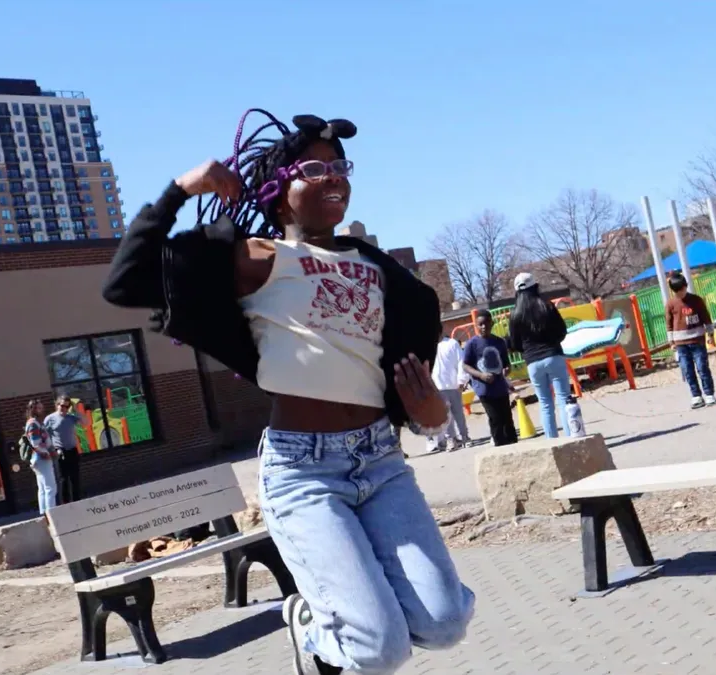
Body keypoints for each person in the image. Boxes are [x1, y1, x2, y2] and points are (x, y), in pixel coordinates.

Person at [101, 110, 474, 675]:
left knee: (445, 626)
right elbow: (125, 281)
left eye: (340, 167)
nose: (333, 178)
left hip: (381, 461)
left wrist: (430, 415)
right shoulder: (256, 259)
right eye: (315, 169)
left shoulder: (375, 266)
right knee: (380, 650)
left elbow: (411, 372)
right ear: (278, 192)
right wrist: (179, 190)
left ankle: (342, 614)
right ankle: (312, 626)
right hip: (303, 472)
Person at [507, 273, 571, 438]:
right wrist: (552, 343)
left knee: (545, 404)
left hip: (532, 362)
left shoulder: (515, 314)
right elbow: (562, 331)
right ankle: (572, 438)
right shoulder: (546, 305)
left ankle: (552, 442)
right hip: (553, 355)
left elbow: (514, 344)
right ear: (535, 286)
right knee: (563, 399)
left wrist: (528, 350)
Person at [463, 312, 517, 446]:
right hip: (484, 389)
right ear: (476, 326)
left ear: (491, 324)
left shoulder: (499, 342)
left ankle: (513, 445)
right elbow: (465, 365)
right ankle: (499, 446)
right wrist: (481, 375)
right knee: (495, 419)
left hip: (500, 387)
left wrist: (507, 369)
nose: (483, 327)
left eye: (486, 323)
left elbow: (506, 363)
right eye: (480, 324)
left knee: (507, 419)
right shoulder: (472, 344)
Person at [665, 272, 716, 408]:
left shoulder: (696, 300)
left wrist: (710, 333)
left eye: (681, 290)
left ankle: (709, 394)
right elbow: (669, 324)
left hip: (697, 340)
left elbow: (706, 317)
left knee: (702, 367)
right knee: (687, 370)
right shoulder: (670, 304)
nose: (680, 294)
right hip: (680, 343)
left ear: (686, 286)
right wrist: (671, 342)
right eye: (676, 292)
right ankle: (696, 396)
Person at [427, 334, 470, 451]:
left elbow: (461, 362)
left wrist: (462, 380)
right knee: (445, 417)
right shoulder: (428, 347)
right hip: (438, 388)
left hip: (454, 385)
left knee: (458, 414)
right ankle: (451, 440)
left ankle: (465, 437)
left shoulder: (452, 344)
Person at [44, 394, 82, 503]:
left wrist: (76, 410)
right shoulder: (50, 419)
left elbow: (86, 423)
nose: (64, 408)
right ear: (57, 405)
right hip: (60, 451)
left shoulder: (71, 417)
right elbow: (45, 436)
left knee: (75, 478)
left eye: (66, 406)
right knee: (63, 479)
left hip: (72, 450)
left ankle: (77, 501)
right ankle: (65, 503)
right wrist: (52, 449)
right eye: (62, 406)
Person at [25, 399, 57, 516]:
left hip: (39, 458)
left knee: (43, 488)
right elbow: (36, 443)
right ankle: (52, 513)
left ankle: (44, 513)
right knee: (50, 487)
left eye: (41, 408)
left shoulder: (37, 423)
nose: (41, 410)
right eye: (38, 408)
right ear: (32, 410)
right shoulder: (33, 424)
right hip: (41, 458)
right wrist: (46, 453)